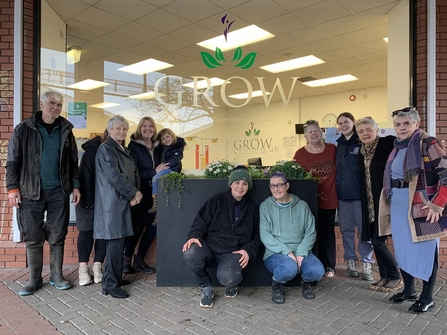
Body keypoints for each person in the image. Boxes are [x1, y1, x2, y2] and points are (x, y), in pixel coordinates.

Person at [6, 90, 81, 296]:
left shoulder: (65, 130)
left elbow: (73, 161)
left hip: (58, 190)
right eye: (51, 103)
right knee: (33, 236)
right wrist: (12, 188)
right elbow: (12, 161)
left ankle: (56, 275)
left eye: (58, 104)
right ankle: (34, 279)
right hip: (30, 191)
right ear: (42, 104)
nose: (55, 107)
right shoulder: (23, 129)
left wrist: (75, 185)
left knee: (57, 235)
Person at [380, 107, 447, 313]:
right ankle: (409, 290)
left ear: (417, 124)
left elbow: (446, 173)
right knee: (403, 249)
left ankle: (427, 297)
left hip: (423, 206)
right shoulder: (397, 147)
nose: (401, 128)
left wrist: (438, 204)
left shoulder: (428, 143)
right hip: (399, 204)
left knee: (426, 251)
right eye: (398, 124)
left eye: (406, 123)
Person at [182, 166, 261, 308]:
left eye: (245, 183)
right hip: (209, 247)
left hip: (232, 252)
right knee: (190, 252)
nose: (240, 187)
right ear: (231, 184)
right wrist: (194, 236)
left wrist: (248, 251)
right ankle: (206, 288)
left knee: (229, 277)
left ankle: (231, 285)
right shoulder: (216, 201)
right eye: (237, 182)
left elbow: (257, 236)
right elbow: (200, 222)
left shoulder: (252, 208)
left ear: (248, 187)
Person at [94, 115, 142, 299]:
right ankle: (111, 285)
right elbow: (114, 176)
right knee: (115, 245)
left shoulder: (124, 149)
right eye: (118, 128)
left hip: (123, 201)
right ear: (110, 130)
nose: (121, 131)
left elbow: (133, 173)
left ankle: (112, 279)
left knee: (119, 244)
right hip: (113, 204)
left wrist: (136, 193)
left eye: (124, 129)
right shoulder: (106, 149)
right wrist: (133, 193)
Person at [260, 172, 324, 304]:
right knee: (289, 268)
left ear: (287, 185)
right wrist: (287, 252)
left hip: (301, 251)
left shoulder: (302, 206)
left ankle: (305, 282)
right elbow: (265, 235)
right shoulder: (265, 207)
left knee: (317, 271)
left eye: (279, 185)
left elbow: (311, 232)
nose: (276, 189)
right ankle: (277, 285)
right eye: (272, 186)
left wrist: (300, 253)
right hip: (275, 253)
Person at [356, 116, 402, 292]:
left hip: (385, 202)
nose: (365, 133)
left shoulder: (388, 143)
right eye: (361, 131)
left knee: (379, 241)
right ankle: (385, 276)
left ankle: (396, 276)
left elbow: (408, 143)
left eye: (368, 129)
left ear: (377, 130)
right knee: (375, 241)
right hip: (370, 204)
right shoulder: (361, 152)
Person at [123, 117, 169, 274]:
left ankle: (140, 259)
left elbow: (168, 164)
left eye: (150, 126)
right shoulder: (133, 146)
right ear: (139, 128)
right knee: (136, 228)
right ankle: (126, 261)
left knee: (153, 227)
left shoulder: (159, 146)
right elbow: (133, 172)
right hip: (140, 194)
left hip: (156, 194)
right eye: (144, 126)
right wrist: (154, 172)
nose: (147, 129)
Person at [293, 120, 338, 278]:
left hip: (330, 199)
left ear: (321, 132)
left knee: (327, 234)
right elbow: (295, 177)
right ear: (305, 136)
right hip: (309, 201)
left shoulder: (332, 149)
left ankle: (329, 266)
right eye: (310, 132)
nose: (313, 133)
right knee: (311, 233)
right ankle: (313, 264)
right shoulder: (300, 154)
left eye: (316, 130)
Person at [335, 112, 374, 281]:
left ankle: (366, 263)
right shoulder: (338, 145)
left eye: (346, 122)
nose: (343, 125)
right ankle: (350, 261)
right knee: (347, 231)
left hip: (361, 196)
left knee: (365, 231)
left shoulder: (362, 143)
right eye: (340, 123)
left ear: (353, 122)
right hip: (343, 197)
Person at [76, 130, 108, 286]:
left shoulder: (117, 151)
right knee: (86, 232)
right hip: (87, 199)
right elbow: (85, 176)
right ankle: (83, 270)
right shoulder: (92, 150)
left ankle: (97, 267)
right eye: (116, 130)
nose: (120, 133)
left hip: (105, 201)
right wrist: (88, 201)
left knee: (102, 234)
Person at [148, 128, 186, 213]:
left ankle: (155, 204)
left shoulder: (176, 148)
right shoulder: (164, 148)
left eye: (167, 137)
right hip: (166, 168)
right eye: (163, 139)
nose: (166, 140)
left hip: (172, 169)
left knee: (155, 178)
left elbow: (175, 159)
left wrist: (166, 165)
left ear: (172, 136)